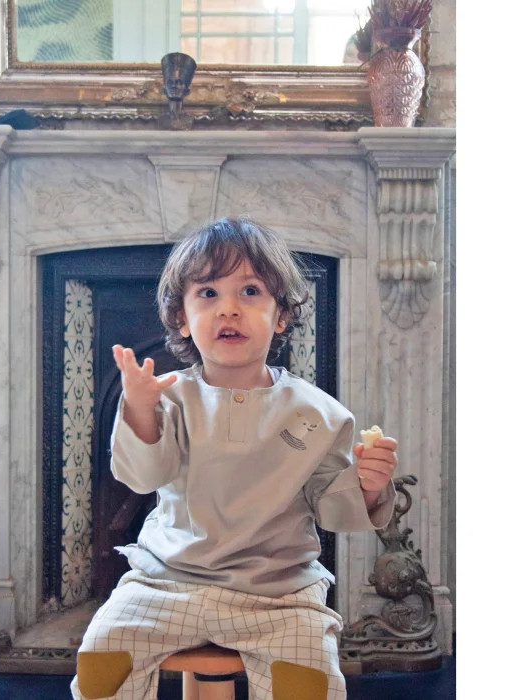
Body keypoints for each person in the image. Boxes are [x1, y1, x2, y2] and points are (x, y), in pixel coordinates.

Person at [71, 217, 398, 700]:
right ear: (181, 318)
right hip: (166, 582)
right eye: (208, 293)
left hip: (279, 594)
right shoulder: (169, 399)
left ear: (280, 315)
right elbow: (143, 476)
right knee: (102, 662)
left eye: (250, 291)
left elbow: (332, 509)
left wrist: (369, 486)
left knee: (308, 680)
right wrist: (139, 409)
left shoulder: (319, 413)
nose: (229, 308)